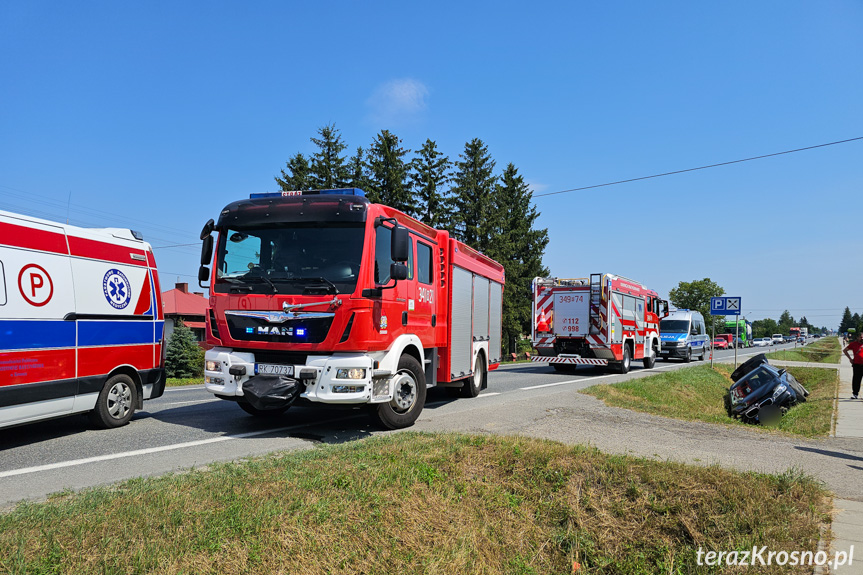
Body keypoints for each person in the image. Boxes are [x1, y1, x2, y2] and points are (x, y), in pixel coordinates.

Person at [843, 332, 863, 399]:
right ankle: (855, 394)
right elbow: (845, 350)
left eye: (862, 337)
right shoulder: (853, 344)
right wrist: (850, 359)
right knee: (856, 380)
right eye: (860, 337)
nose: (862, 338)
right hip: (857, 364)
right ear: (857, 337)